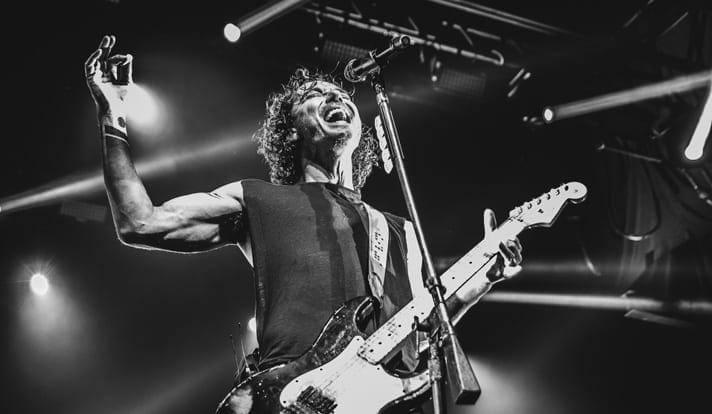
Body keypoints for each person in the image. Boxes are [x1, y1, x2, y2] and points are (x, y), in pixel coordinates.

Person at [84, 34, 523, 408]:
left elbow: (419, 339)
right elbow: (139, 222)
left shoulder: (399, 231)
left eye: (344, 96)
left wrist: (481, 281)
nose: (336, 97)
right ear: (291, 130)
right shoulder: (257, 199)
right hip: (291, 400)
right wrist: (112, 112)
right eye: (315, 94)